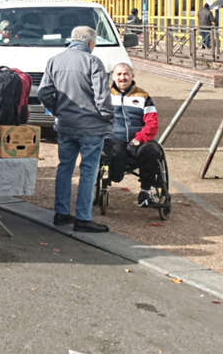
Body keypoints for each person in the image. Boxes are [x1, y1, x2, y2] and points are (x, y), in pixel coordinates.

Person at [38, 25, 113, 233]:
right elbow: (102, 97)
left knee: (65, 167)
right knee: (88, 171)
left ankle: (61, 213)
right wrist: (107, 117)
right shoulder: (93, 62)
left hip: (65, 124)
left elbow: (44, 93)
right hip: (90, 125)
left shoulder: (55, 60)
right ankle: (83, 217)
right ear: (91, 43)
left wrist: (57, 110)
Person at [104, 63, 165, 207]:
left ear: (132, 76)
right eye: (119, 74)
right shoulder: (105, 95)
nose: (122, 77)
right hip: (114, 137)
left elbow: (152, 123)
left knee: (151, 151)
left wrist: (139, 139)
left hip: (138, 138)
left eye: (126, 74)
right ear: (113, 77)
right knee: (115, 152)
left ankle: (145, 192)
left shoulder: (143, 96)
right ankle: (115, 176)